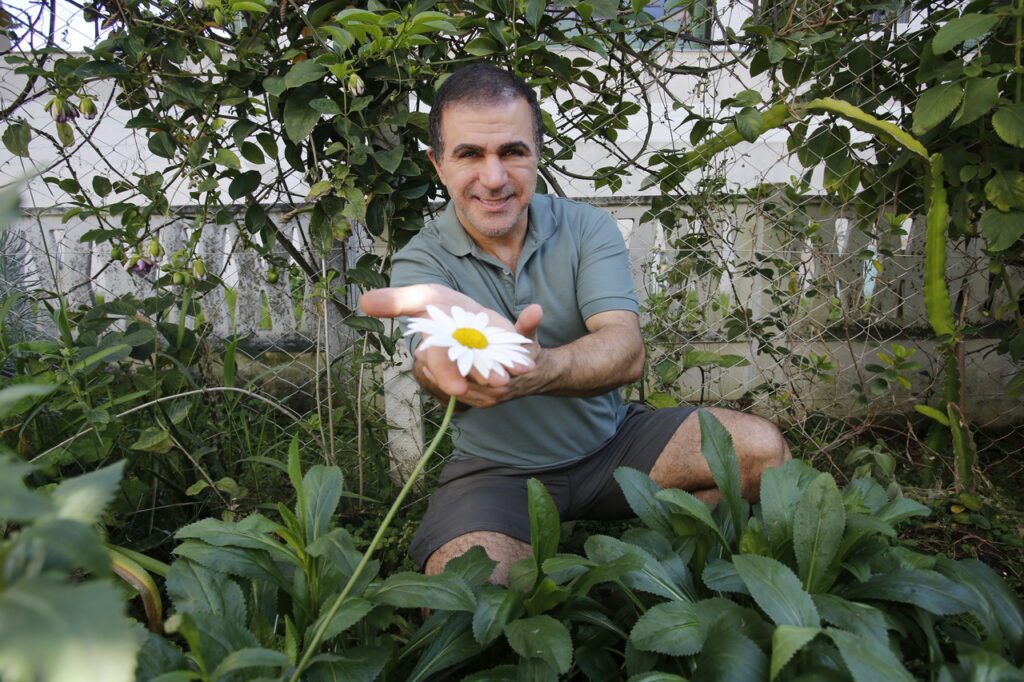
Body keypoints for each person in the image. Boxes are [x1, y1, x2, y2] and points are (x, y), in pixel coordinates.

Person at [359, 63, 790, 585]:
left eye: (512, 152)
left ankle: (690, 579)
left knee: (763, 452)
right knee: (466, 596)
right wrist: (446, 370)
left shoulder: (586, 227)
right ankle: (538, 554)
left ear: (536, 155)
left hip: (614, 447)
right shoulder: (420, 263)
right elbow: (432, 364)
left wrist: (541, 368)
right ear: (438, 164)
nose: (493, 179)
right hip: (498, 472)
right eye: (469, 154)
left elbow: (625, 349)